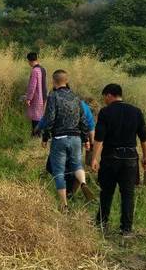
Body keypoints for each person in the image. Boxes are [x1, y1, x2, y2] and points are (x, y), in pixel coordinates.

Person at [91, 84, 146, 237]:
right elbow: (144, 137)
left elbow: (99, 137)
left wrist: (94, 158)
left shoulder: (105, 112)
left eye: (105, 97)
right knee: (128, 195)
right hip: (130, 159)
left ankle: (101, 224)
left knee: (106, 193)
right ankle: (126, 229)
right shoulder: (136, 112)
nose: (104, 100)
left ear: (109, 95)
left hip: (110, 158)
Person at [32, 70, 91, 210]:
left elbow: (50, 118)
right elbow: (83, 120)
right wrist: (86, 138)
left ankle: (64, 205)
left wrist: (45, 137)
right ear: (67, 80)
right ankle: (83, 182)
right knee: (77, 165)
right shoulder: (76, 97)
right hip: (76, 138)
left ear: (54, 81)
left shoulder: (53, 96)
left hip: (60, 138)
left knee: (58, 171)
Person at [64, 96, 97, 198]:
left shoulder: (64, 103)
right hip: (78, 141)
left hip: (62, 138)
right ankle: (72, 192)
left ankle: (65, 191)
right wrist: (91, 146)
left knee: (63, 165)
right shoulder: (85, 108)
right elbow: (91, 129)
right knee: (77, 165)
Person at [24, 52, 47, 133]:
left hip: (37, 97)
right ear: (37, 59)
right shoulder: (43, 69)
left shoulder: (35, 70)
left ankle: (36, 135)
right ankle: (39, 135)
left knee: (35, 118)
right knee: (40, 116)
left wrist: (28, 98)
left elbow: (32, 86)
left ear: (29, 61)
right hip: (44, 96)